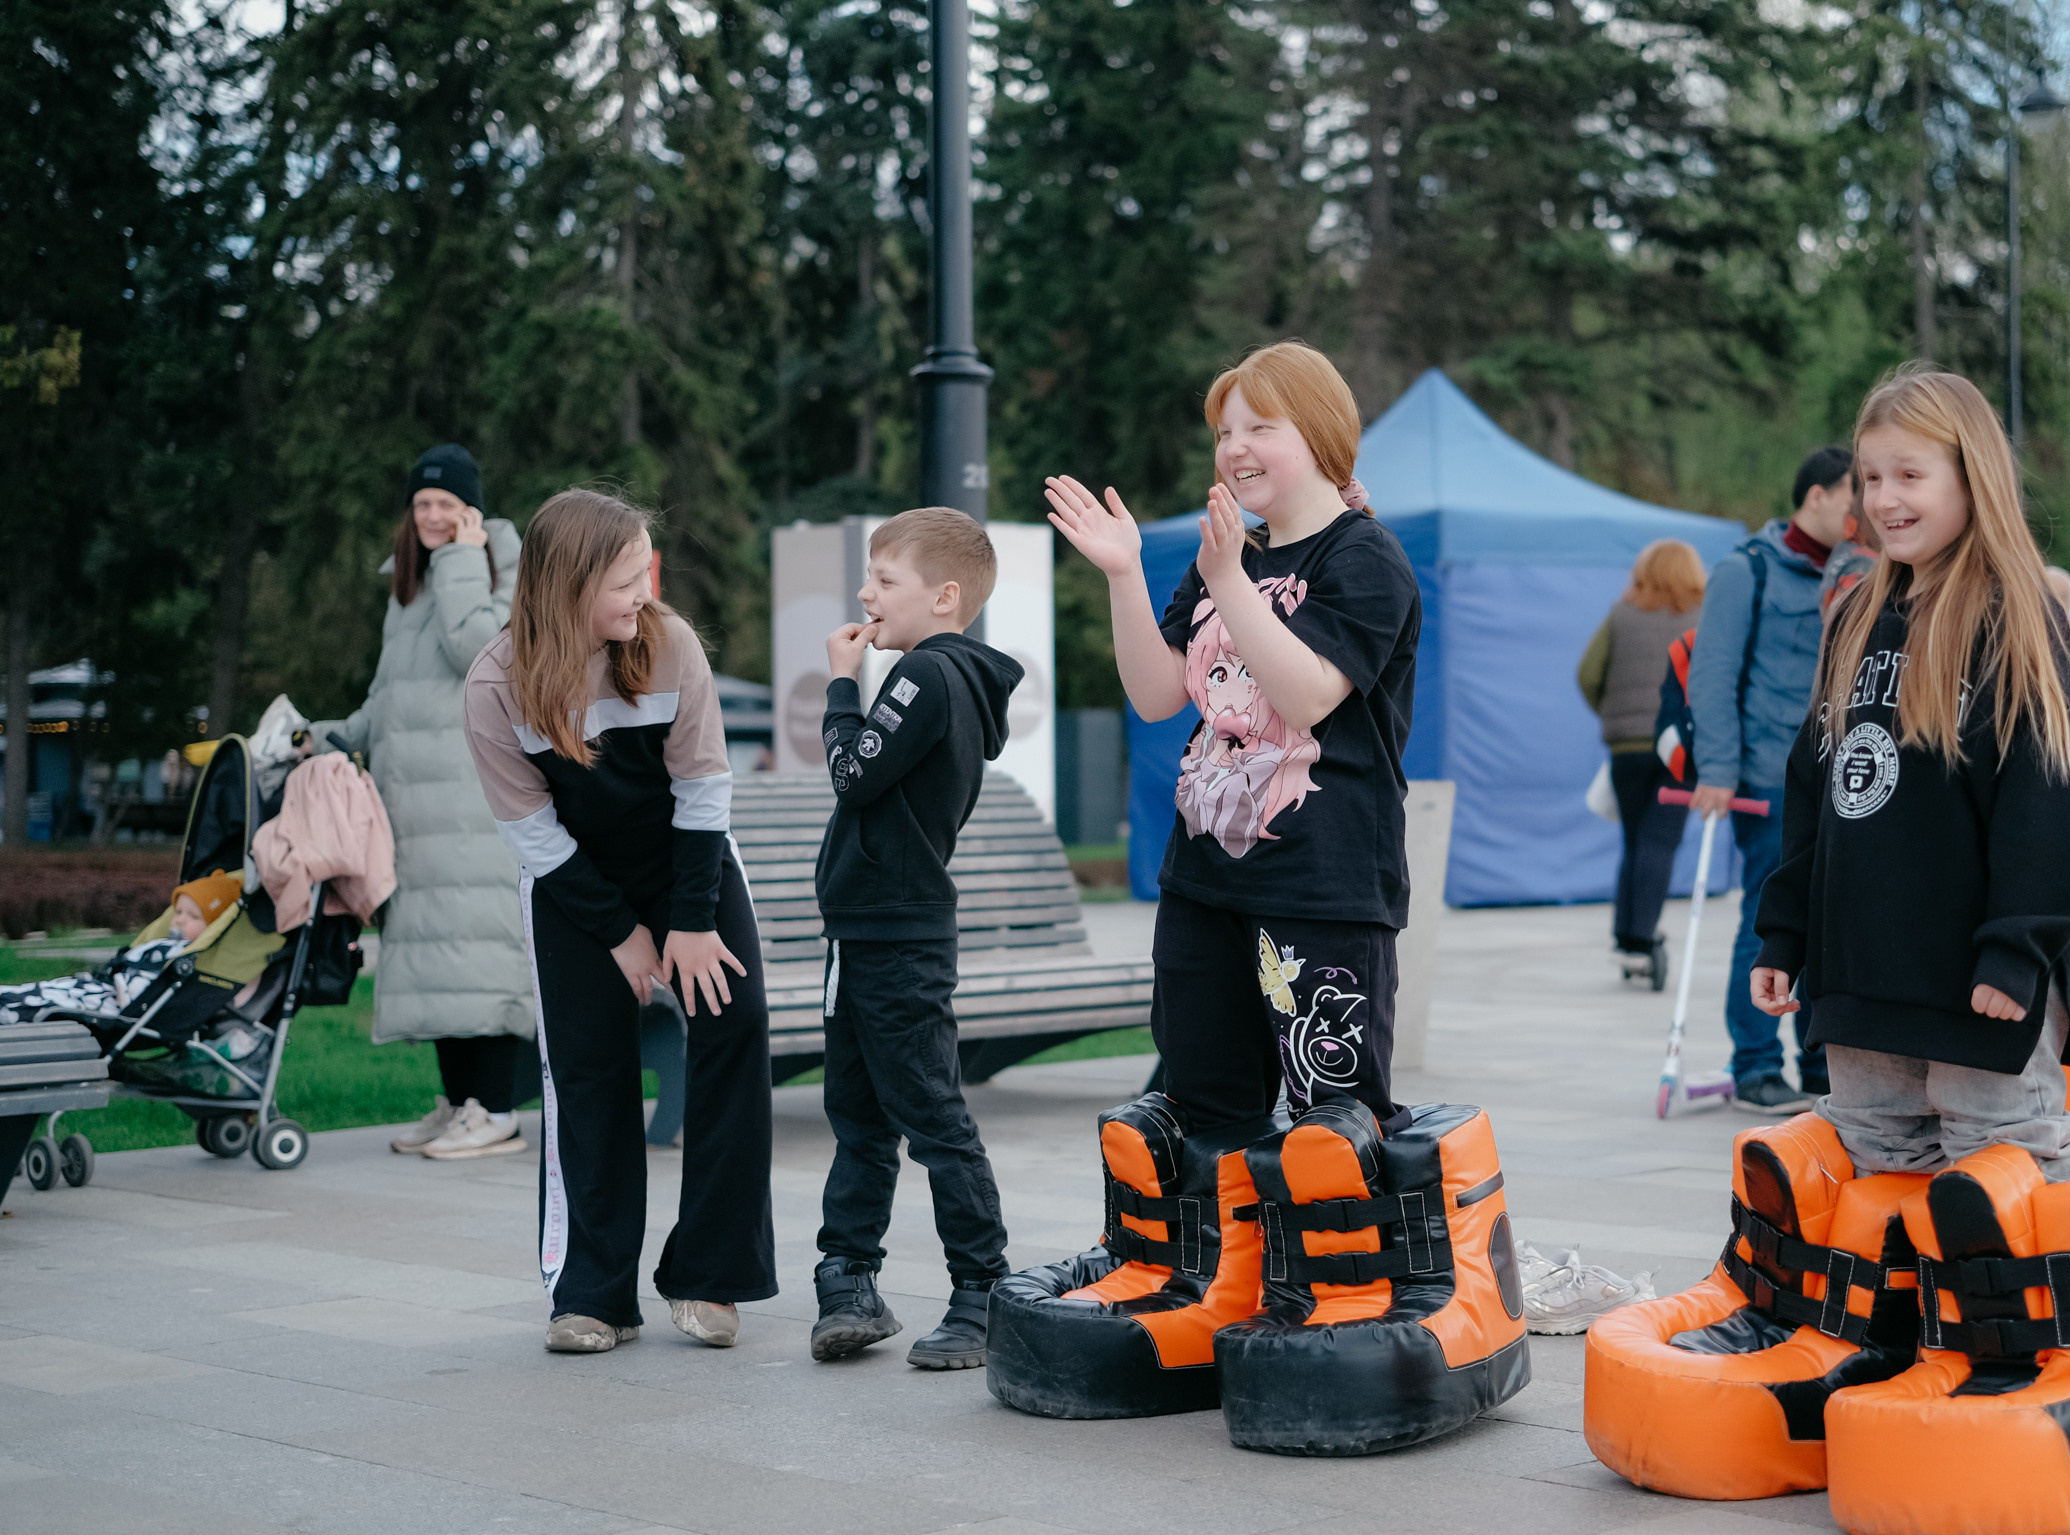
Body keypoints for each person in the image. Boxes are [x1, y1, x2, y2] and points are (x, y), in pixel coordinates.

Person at [1751, 365, 2070, 1183]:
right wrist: (1786, 931)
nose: (1885, 499)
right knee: (1879, 1164)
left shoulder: (2017, 615)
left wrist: (2015, 951)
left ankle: (2060, 1313)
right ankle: (1911, 1319)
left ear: (1971, 476)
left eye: (1910, 475)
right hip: (1866, 969)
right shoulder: (1854, 618)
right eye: (1872, 478)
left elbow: (2046, 801)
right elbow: (1820, 789)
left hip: (1979, 973)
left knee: (2000, 1165)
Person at [1046, 340, 1419, 1134]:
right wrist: (1123, 574)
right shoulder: (1228, 554)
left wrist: (1227, 581)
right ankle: (1216, 1264)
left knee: (1335, 1127)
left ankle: (1336, 1265)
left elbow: (1310, 695)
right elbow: (1155, 696)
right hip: (1204, 881)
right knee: (1203, 1114)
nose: (1233, 449)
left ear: (1318, 434)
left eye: (1259, 427)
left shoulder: (1365, 556)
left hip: (1322, 887)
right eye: (1223, 432)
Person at [463, 488, 775, 1355]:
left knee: (736, 1021)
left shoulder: (668, 644)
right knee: (588, 1068)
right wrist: (620, 934)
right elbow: (533, 833)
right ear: (567, 587)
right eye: (626, 579)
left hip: (687, 859)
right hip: (573, 882)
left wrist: (685, 920)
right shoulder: (495, 684)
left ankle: (711, 1278)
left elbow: (704, 790)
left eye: (647, 572)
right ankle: (593, 1290)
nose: (645, 592)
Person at [803, 508, 1024, 1371]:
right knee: (859, 1118)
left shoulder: (926, 675)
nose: (866, 593)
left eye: (884, 580)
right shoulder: (940, 675)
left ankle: (980, 1292)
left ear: (944, 595)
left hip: (896, 937)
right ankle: (847, 1284)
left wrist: (838, 683)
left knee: (931, 1116)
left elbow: (853, 775)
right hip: (863, 933)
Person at [323, 445, 538, 1162]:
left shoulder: (506, 563)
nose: (434, 516)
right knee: (441, 960)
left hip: (476, 799)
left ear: (474, 508)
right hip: (415, 808)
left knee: (482, 955)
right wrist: (330, 736)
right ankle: (460, 1101)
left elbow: (477, 648)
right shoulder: (407, 585)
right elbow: (392, 693)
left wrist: (459, 559)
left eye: (448, 503)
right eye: (422, 505)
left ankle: (498, 1108)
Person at [1686, 445, 1857, 1113]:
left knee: (1833, 921)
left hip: (1841, 782)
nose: (1862, 512)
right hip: (1766, 781)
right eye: (1852, 495)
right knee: (1770, 919)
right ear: (1815, 496)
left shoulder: (1858, 573)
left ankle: (1820, 1061)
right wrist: (1719, 771)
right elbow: (1713, 676)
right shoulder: (1746, 570)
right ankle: (1755, 1062)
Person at [1576, 539, 1706, 976]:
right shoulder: (1703, 618)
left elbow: (1588, 674)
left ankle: (1626, 937)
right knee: (1660, 842)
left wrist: (1616, 717)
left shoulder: (1622, 613)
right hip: (1680, 749)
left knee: (1634, 840)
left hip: (1626, 748)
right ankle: (1642, 938)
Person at [0, 874, 240, 1026]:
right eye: (178, 913)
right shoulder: (169, 946)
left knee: (41, 1003)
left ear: (213, 927)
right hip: (99, 986)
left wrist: (125, 985)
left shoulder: (191, 958)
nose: (179, 921)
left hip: (113, 1003)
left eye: (193, 917)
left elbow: (143, 985)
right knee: (41, 990)